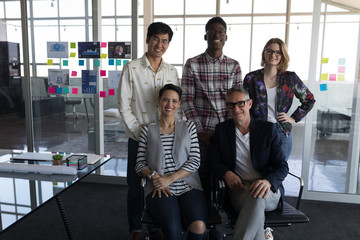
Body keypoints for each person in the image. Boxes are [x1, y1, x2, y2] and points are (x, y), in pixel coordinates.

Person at [118, 22, 181, 240]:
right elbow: (124, 106)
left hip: (165, 138)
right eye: (156, 38)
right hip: (138, 137)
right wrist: (139, 132)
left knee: (160, 181)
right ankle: (135, 228)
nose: (160, 44)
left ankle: (157, 225)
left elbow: (175, 105)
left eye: (164, 40)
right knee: (135, 185)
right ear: (147, 39)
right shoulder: (132, 68)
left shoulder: (172, 71)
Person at [209, 86, 289, 240]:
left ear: (250, 104)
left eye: (241, 103)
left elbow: (282, 166)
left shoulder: (268, 130)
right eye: (231, 104)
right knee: (255, 206)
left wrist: (267, 182)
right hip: (240, 189)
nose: (236, 108)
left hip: (269, 189)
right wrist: (226, 173)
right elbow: (214, 161)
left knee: (258, 196)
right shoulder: (222, 130)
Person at [135, 84, 207, 240]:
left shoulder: (189, 127)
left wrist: (169, 179)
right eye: (166, 100)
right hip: (159, 188)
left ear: (179, 104)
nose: (170, 105)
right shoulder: (147, 130)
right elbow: (140, 164)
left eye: (174, 101)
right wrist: (154, 176)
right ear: (159, 101)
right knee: (173, 231)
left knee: (199, 226)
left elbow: (195, 161)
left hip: (189, 185)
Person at [181, 16, 242, 198]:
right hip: (201, 132)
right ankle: (206, 219)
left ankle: (224, 215)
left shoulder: (234, 66)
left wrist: (229, 128)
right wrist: (200, 132)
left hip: (227, 130)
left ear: (226, 37)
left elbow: (237, 102)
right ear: (205, 36)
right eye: (212, 31)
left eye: (221, 31)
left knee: (227, 173)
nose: (217, 34)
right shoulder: (192, 64)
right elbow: (186, 99)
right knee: (203, 173)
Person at [243, 38, 315, 161]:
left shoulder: (290, 78)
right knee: (259, 170)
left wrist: (293, 118)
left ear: (282, 56)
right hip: (257, 130)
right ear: (264, 53)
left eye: (278, 52)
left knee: (278, 172)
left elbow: (309, 99)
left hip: (281, 131)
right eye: (269, 51)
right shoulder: (251, 78)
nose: (273, 55)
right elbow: (243, 105)